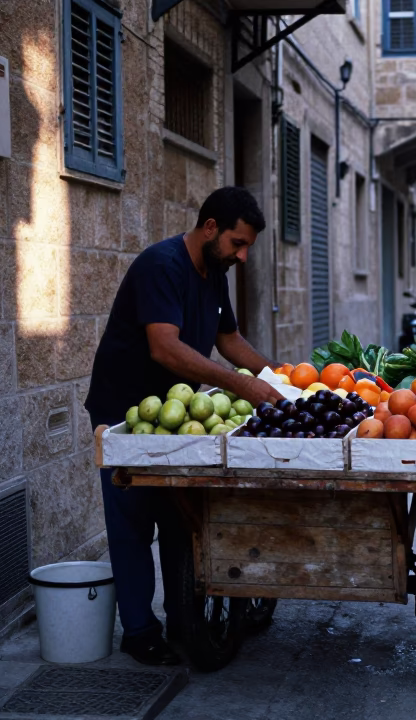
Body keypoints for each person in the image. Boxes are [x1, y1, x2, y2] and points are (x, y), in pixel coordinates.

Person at [84, 186, 284, 666]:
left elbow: (229, 339)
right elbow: (165, 348)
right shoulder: (162, 266)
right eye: (238, 242)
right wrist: (241, 386)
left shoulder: (214, 272)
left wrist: (278, 381)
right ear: (210, 227)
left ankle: (183, 621)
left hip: (182, 414)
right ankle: (139, 632)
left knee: (181, 517)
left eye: (249, 245)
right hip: (127, 413)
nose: (244, 254)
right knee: (133, 524)